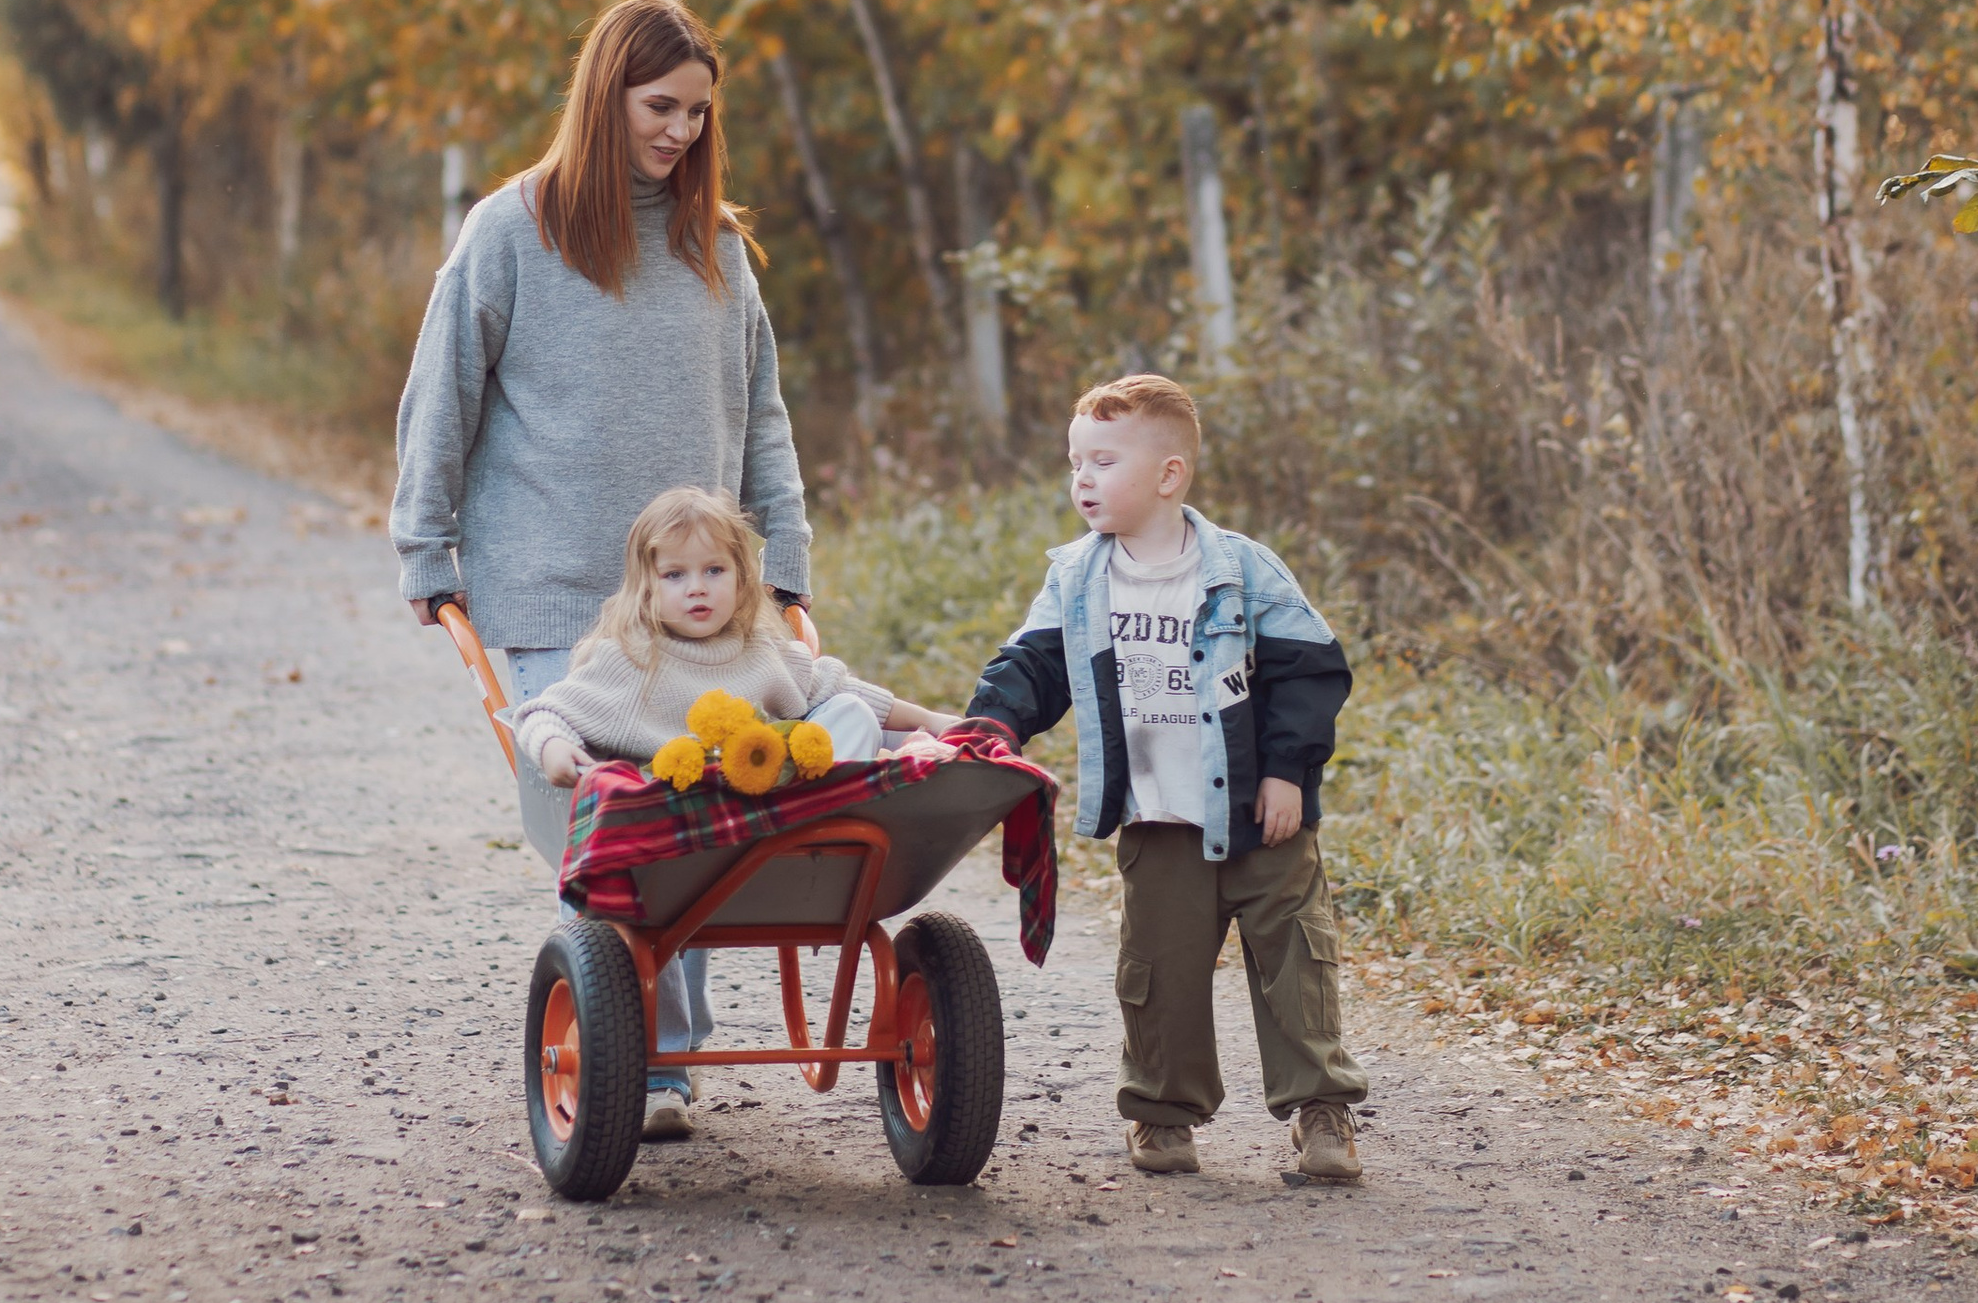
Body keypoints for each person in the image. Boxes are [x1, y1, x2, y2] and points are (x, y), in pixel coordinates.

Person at [392, 0, 814, 1137]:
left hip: (700, 597)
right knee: (618, 821)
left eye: (696, 113)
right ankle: (654, 1062)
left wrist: (789, 559)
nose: (678, 130)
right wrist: (426, 551)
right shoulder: (510, 233)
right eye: (658, 106)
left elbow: (760, 412)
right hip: (556, 586)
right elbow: (444, 396)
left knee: (705, 812)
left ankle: (655, 1057)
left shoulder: (714, 246)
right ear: (605, 94)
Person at [963, 371, 1365, 1185]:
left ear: (1168, 475)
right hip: (1156, 818)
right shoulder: (1078, 579)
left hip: (1263, 818)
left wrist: (1288, 773)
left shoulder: (1242, 571)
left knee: (1296, 964)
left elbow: (1312, 670)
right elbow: (1033, 666)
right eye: (1075, 462)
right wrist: (992, 724)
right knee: (1159, 973)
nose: (1081, 479)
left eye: (1103, 462)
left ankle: (1322, 1113)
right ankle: (1163, 1113)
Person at [514, 484, 950, 787]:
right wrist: (554, 747)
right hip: (685, 817)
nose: (697, 587)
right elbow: (546, 713)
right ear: (646, 587)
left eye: (714, 570)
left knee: (850, 711)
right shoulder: (629, 660)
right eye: (674, 575)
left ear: (742, 579)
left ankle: (825, 826)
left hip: (782, 800)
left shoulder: (761, 652)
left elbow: (836, 689)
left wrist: (930, 721)